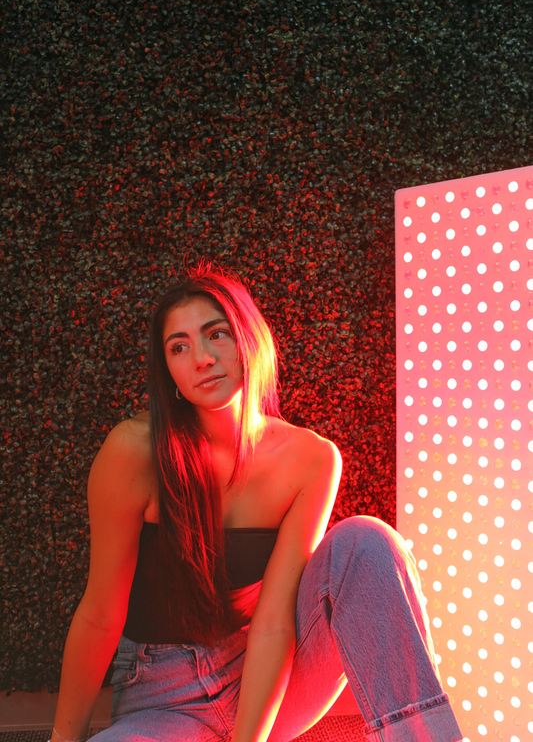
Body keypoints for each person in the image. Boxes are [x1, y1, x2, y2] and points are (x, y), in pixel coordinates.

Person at [50, 264, 463, 742]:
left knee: (365, 541)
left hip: (267, 681)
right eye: (179, 347)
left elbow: (273, 622)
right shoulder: (133, 451)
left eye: (216, 334)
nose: (202, 358)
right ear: (168, 372)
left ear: (249, 339)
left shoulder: (311, 458)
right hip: (163, 696)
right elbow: (101, 614)